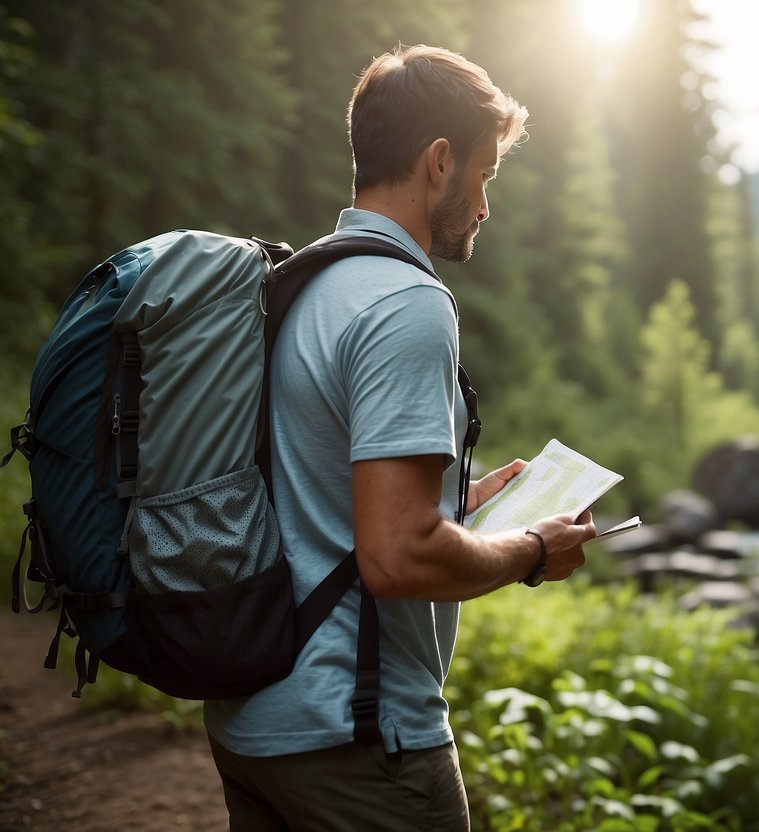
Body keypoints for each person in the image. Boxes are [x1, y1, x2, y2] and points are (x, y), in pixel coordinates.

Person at [204, 44, 596, 831]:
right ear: (439, 162)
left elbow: (317, 485)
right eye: (483, 176)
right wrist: (531, 552)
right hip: (359, 737)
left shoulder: (301, 286)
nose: (484, 207)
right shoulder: (405, 304)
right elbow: (394, 556)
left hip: (254, 721)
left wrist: (457, 503)